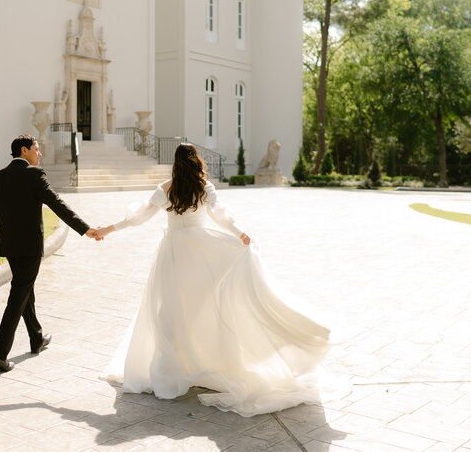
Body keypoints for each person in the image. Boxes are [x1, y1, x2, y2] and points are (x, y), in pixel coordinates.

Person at [96, 143, 342, 416]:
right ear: (196, 160)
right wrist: (240, 233)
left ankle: (171, 369)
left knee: (171, 312)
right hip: (201, 251)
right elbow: (218, 215)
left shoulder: (166, 188)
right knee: (201, 309)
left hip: (176, 254)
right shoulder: (203, 186)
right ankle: (193, 362)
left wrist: (106, 229)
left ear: (175, 163)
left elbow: (139, 217)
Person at [0, 134, 101, 372]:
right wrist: (85, 229)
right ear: (24, 151)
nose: (40, 153)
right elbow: (56, 203)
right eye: (37, 149)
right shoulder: (34, 175)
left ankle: (36, 338)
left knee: (25, 290)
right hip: (30, 247)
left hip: (10, 249)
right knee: (19, 293)